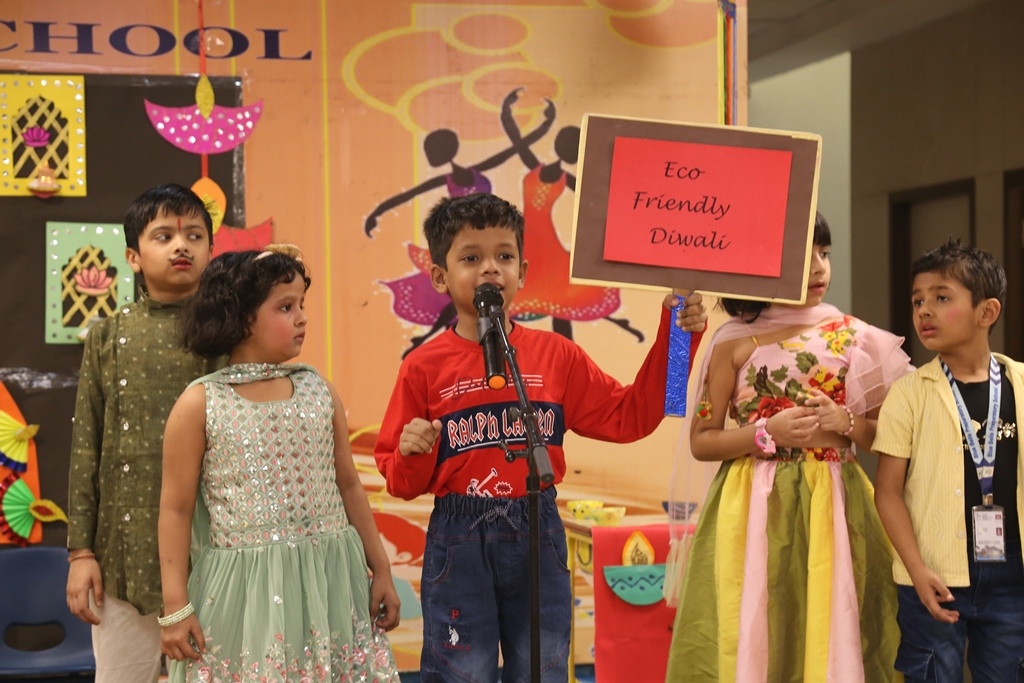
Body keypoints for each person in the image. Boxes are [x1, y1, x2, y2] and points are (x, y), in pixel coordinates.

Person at [373, 192, 708, 682]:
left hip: (537, 526)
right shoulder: (422, 367)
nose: (491, 268)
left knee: (543, 668)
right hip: (460, 536)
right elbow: (401, 483)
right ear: (441, 277)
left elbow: (632, 417)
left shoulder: (556, 356)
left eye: (504, 256)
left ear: (523, 272)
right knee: (462, 672)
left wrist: (680, 338)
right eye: (471, 258)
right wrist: (413, 451)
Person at [665, 212, 912, 682]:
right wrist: (766, 433)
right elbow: (701, 439)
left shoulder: (856, 337)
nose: (819, 267)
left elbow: (892, 438)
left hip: (836, 506)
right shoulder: (732, 341)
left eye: (825, 253)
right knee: (757, 625)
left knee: (834, 623)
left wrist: (849, 423)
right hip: (751, 508)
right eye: (803, 256)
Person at [157, 246, 401, 681]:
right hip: (247, 595)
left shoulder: (318, 390)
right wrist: (176, 606)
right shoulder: (200, 403)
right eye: (286, 307)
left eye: (302, 304)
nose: (302, 318)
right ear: (240, 317)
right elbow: (175, 510)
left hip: (330, 583)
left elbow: (348, 485)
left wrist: (380, 568)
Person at [65, 183, 219, 683]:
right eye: (164, 236)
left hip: (215, 561)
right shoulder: (107, 336)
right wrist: (81, 553)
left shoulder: (231, 337)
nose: (181, 246)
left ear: (211, 251)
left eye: (194, 235)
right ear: (133, 256)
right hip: (121, 562)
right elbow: (86, 448)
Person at [874, 238, 1024, 682]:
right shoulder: (908, 393)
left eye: (942, 298)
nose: (924, 311)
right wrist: (916, 571)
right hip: (933, 578)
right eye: (918, 301)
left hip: (1013, 579)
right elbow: (887, 492)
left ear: (987, 312)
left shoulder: (1019, 383)